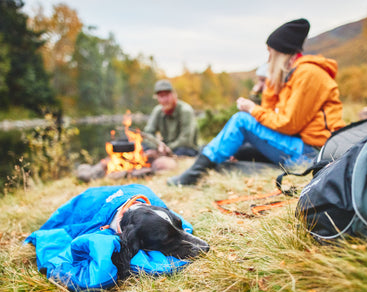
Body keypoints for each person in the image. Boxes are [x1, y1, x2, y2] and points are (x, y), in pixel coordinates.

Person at [168, 18, 346, 186]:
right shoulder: (294, 75)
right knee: (240, 149)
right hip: (303, 146)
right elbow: (270, 115)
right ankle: (211, 163)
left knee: (241, 120)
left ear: (281, 53)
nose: (268, 60)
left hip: (314, 152)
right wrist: (271, 84)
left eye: (270, 53)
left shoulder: (308, 74)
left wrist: (252, 109)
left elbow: (289, 124)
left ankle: (195, 173)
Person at [144, 80, 199, 158]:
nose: (164, 100)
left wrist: (168, 148)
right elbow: (148, 133)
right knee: (142, 146)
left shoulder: (185, 110)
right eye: (161, 96)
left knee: (182, 150)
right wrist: (158, 144)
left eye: (167, 95)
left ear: (174, 95)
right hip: (164, 147)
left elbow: (186, 140)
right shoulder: (157, 110)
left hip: (183, 148)